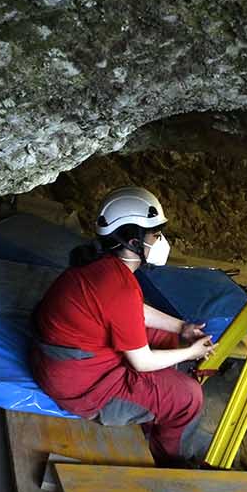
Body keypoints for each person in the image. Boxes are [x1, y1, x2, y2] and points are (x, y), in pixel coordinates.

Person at [30, 187, 214, 465]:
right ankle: (172, 461)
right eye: (155, 234)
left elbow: (133, 312)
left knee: (167, 337)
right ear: (133, 240)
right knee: (189, 398)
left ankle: (156, 405)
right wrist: (191, 353)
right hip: (81, 386)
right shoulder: (119, 285)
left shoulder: (104, 265)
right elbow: (141, 361)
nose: (160, 241)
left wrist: (182, 328)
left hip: (65, 360)